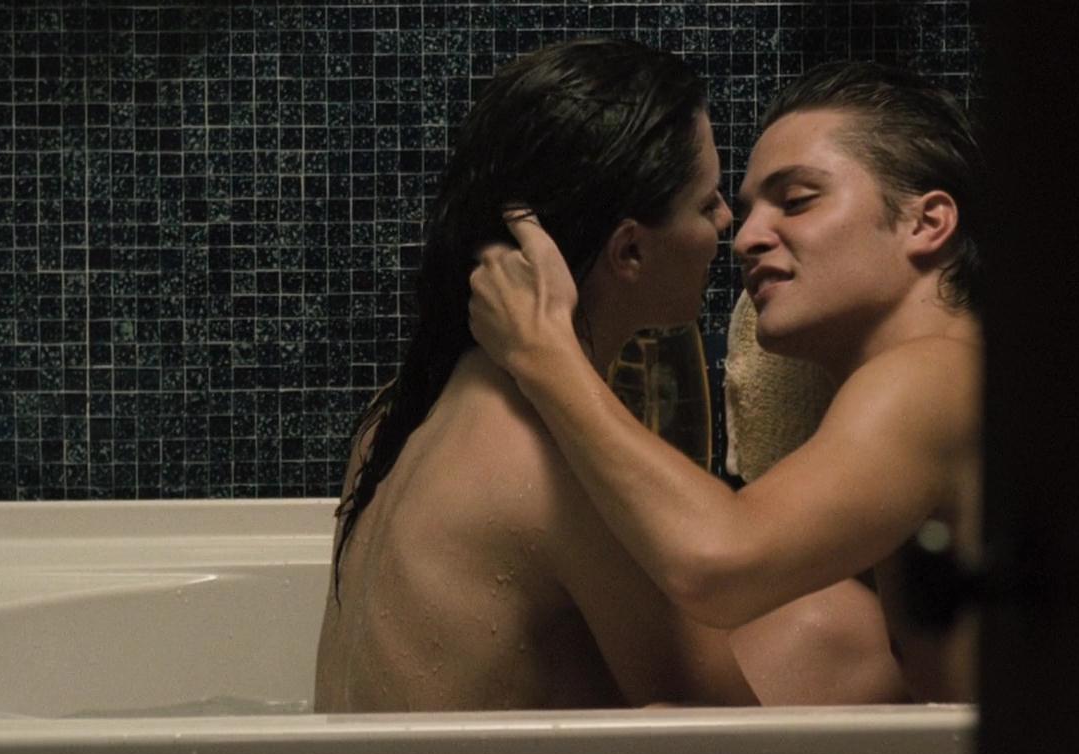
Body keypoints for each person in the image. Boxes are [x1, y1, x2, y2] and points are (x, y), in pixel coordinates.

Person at [313, 40, 899, 711]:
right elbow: (728, 739)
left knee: (829, 622)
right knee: (858, 648)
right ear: (630, 252)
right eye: (706, 202)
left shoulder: (401, 409)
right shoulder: (558, 467)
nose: (727, 224)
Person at [469, 61, 986, 702]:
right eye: (746, 211)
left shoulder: (935, 374)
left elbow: (719, 565)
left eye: (796, 200)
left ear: (926, 222)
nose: (746, 239)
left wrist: (545, 351)